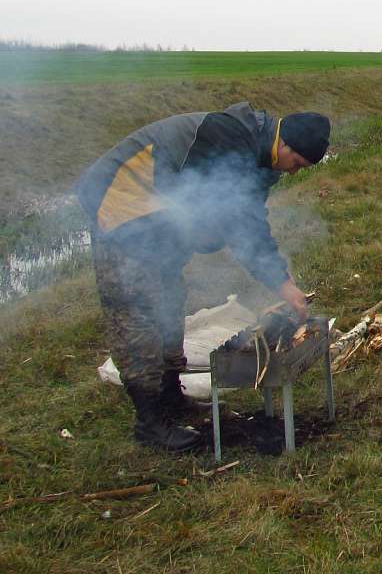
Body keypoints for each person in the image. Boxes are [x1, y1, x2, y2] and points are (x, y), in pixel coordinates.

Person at [76, 103, 329, 452]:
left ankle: (171, 400)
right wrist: (283, 284)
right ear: (285, 144)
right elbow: (237, 222)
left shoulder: (261, 157)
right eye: (298, 164)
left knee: (168, 301)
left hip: (158, 215)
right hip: (123, 206)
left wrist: (282, 279)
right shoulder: (228, 137)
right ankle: (151, 423)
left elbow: (249, 221)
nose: (296, 172)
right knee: (137, 309)